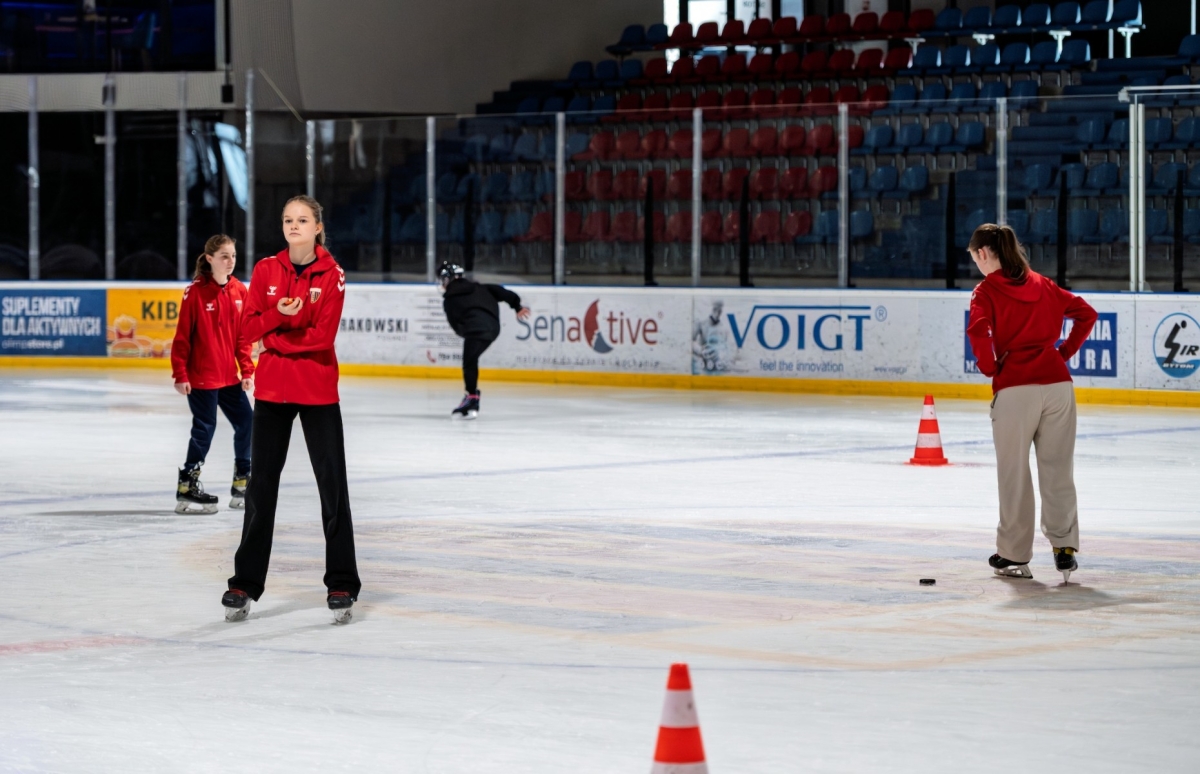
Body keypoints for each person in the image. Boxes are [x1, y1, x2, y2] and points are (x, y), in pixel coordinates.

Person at [221, 195, 361, 624]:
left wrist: (273, 337)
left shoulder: (332, 275)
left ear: (318, 227)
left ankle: (341, 582)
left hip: (318, 392)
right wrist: (276, 316)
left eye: (302, 220)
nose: (293, 225)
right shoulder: (265, 270)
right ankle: (244, 582)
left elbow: (322, 337)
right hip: (273, 394)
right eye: (287, 219)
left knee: (332, 489)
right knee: (260, 490)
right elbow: (246, 331)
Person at [966, 223, 1097, 583]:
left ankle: (1013, 555)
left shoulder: (984, 292)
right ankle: (1065, 548)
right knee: (1058, 470)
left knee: (1014, 474)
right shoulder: (1043, 284)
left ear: (982, 253)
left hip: (1015, 389)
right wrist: (1064, 352)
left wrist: (991, 367)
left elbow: (979, 331)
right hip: (1058, 386)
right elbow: (1087, 314)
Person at [170, 235, 254, 515]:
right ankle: (187, 485)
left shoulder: (240, 291)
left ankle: (242, 483)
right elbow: (182, 338)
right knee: (205, 429)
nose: (230, 262)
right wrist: (180, 373)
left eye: (233, 256)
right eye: (224, 256)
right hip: (201, 377)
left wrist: (247, 369)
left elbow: (243, 337)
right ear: (209, 259)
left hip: (229, 376)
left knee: (247, 422)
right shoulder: (194, 293)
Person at [437, 262, 530, 418]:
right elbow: (505, 293)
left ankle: (472, 397)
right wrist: (517, 306)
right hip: (493, 328)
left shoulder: (450, 300)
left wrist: (466, 331)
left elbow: (455, 324)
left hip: (475, 330)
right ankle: (471, 397)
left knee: (469, 362)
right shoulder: (481, 287)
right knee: (471, 360)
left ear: (447, 280)